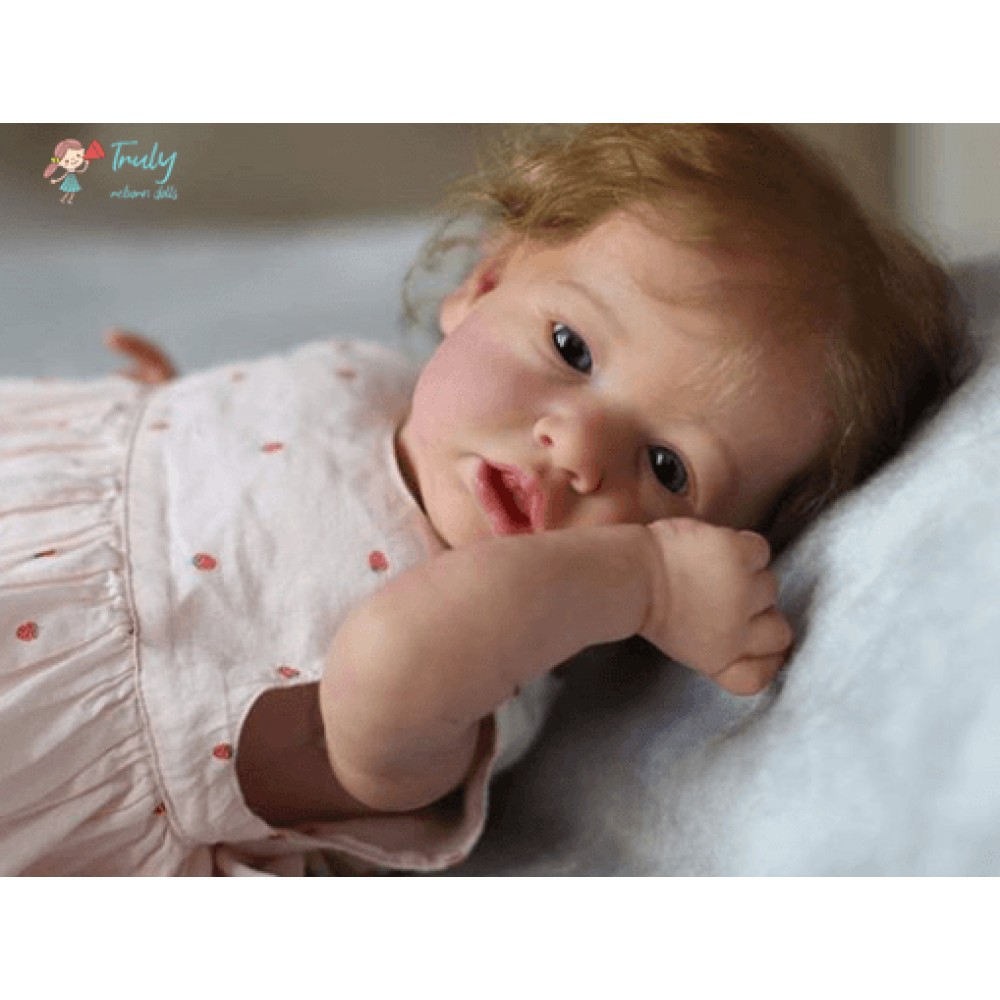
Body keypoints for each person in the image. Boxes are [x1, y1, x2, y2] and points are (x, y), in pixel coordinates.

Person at [0, 125, 965, 875]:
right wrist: (178, 428)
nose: (577, 447)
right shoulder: (379, 381)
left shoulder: (486, 673)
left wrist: (645, 584)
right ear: (483, 282)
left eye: (668, 468)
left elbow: (386, 663)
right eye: (572, 349)